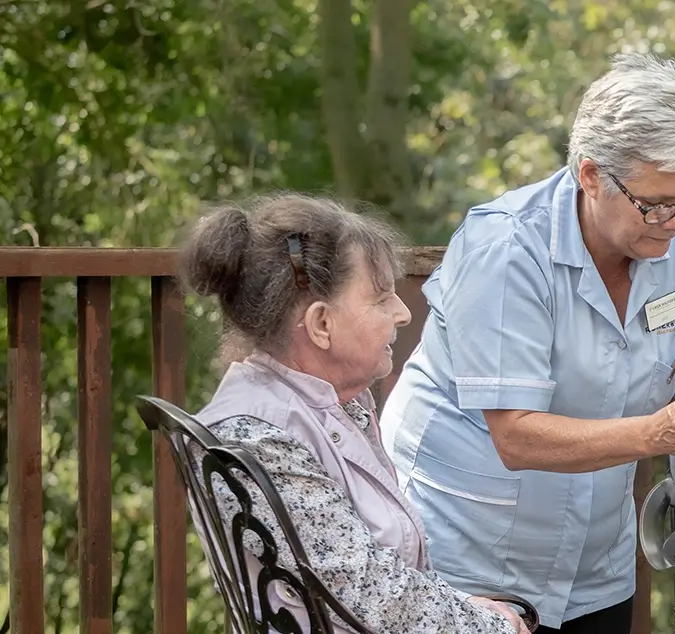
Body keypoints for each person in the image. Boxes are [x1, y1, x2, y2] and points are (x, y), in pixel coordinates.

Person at [380, 53, 675, 633]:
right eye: (656, 203)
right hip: (466, 557)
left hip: (597, 559)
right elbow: (517, 435)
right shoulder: (505, 249)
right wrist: (658, 434)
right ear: (592, 174)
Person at [181, 196, 527, 633]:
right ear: (321, 324)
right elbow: (367, 594)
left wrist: (469, 609)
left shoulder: (328, 402)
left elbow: (372, 579)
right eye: (381, 299)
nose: (403, 313)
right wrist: (490, 626)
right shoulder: (256, 438)